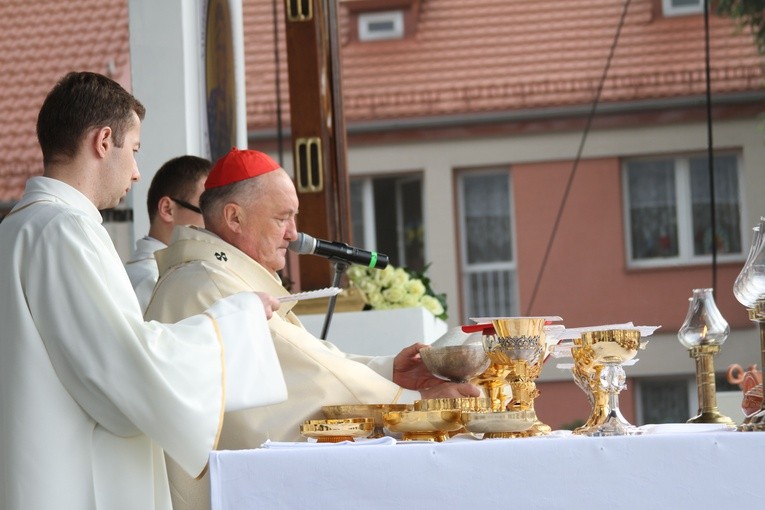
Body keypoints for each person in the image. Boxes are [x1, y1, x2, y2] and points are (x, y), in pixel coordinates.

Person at [0, 72, 288, 510]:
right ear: (103, 141)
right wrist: (234, 322)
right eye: (133, 151)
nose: (136, 172)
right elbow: (124, 368)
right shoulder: (64, 230)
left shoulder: (16, 228)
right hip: (72, 482)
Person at [145, 147, 480, 510]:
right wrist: (407, 404)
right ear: (234, 217)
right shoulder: (210, 284)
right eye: (282, 218)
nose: (293, 233)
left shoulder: (216, 274)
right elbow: (308, 371)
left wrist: (388, 372)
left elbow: (309, 355)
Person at [125, 155, 211, 311]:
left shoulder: (162, 273)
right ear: (167, 209)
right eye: (207, 211)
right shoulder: (152, 280)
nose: (214, 224)